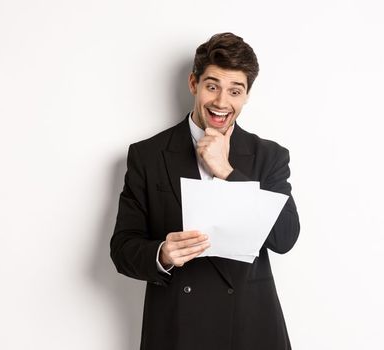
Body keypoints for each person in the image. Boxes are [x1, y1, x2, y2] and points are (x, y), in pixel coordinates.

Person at [109, 32, 301, 350]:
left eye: (235, 91)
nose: (221, 103)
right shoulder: (147, 155)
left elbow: (285, 238)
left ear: (246, 95)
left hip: (250, 327)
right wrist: (162, 254)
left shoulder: (270, 156)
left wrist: (226, 171)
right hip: (177, 328)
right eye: (212, 86)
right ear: (194, 84)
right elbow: (122, 247)